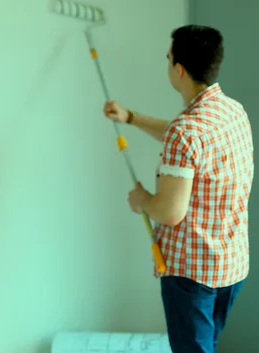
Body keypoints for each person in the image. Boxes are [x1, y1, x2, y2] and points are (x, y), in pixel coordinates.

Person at [102, 25, 254, 353]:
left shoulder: (185, 133)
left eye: (168, 57)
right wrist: (131, 117)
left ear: (179, 70)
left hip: (192, 278)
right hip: (231, 267)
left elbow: (170, 214)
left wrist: (142, 200)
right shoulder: (232, 112)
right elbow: (183, 138)